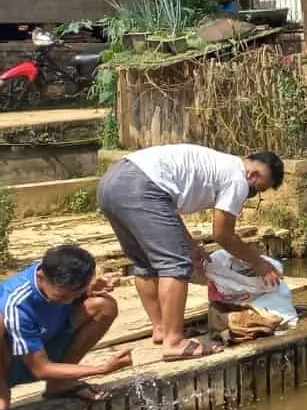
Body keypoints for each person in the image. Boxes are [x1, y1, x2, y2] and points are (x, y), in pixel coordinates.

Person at [96, 144, 285, 361]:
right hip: (142, 186)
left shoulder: (218, 163)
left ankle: (161, 329)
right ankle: (174, 341)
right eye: (256, 176)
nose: (251, 180)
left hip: (112, 182)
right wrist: (258, 263)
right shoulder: (237, 179)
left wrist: (191, 245)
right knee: (175, 265)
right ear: (248, 165)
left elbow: (166, 208)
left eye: (258, 185)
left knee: (145, 263)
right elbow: (223, 235)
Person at [0, 244, 134, 410]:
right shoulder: (14, 303)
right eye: (61, 297)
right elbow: (41, 369)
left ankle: (59, 384)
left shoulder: (59, 276)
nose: (67, 302)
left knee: (104, 305)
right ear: (41, 277)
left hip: (38, 347)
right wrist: (101, 369)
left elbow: (72, 294)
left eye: (75, 294)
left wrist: (90, 291)